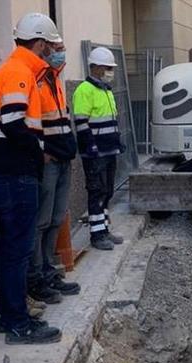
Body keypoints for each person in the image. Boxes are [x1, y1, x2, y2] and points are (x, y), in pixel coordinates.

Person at [0, 12, 62, 344]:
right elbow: (14, 122)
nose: (52, 52)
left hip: (6, 174)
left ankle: (11, 317)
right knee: (17, 249)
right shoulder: (19, 72)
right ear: (40, 43)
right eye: (50, 46)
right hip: (15, 175)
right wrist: (39, 149)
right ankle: (17, 322)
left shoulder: (14, 70)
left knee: (10, 248)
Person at [26, 25, 81, 304]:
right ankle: (37, 276)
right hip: (48, 161)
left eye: (62, 49)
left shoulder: (54, 81)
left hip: (62, 158)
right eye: (57, 50)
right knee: (42, 220)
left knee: (57, 218)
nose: (61, 54)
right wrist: (43, 153)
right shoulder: (36, 81)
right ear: (45, 49)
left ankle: (48, 269)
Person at [73, 47, 125, 251]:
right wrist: (90, 146)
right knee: (96, 191)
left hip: (108, 150)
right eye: (107, 67)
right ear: (95, 67)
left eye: (111, 68)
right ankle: (97, 235)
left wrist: (117, 142)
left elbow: (110, 120)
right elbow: (81, 122)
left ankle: (103, 228)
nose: (110, 71)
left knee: (107, 190)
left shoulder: (105, 90)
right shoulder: (84, 90)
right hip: (95, 153)